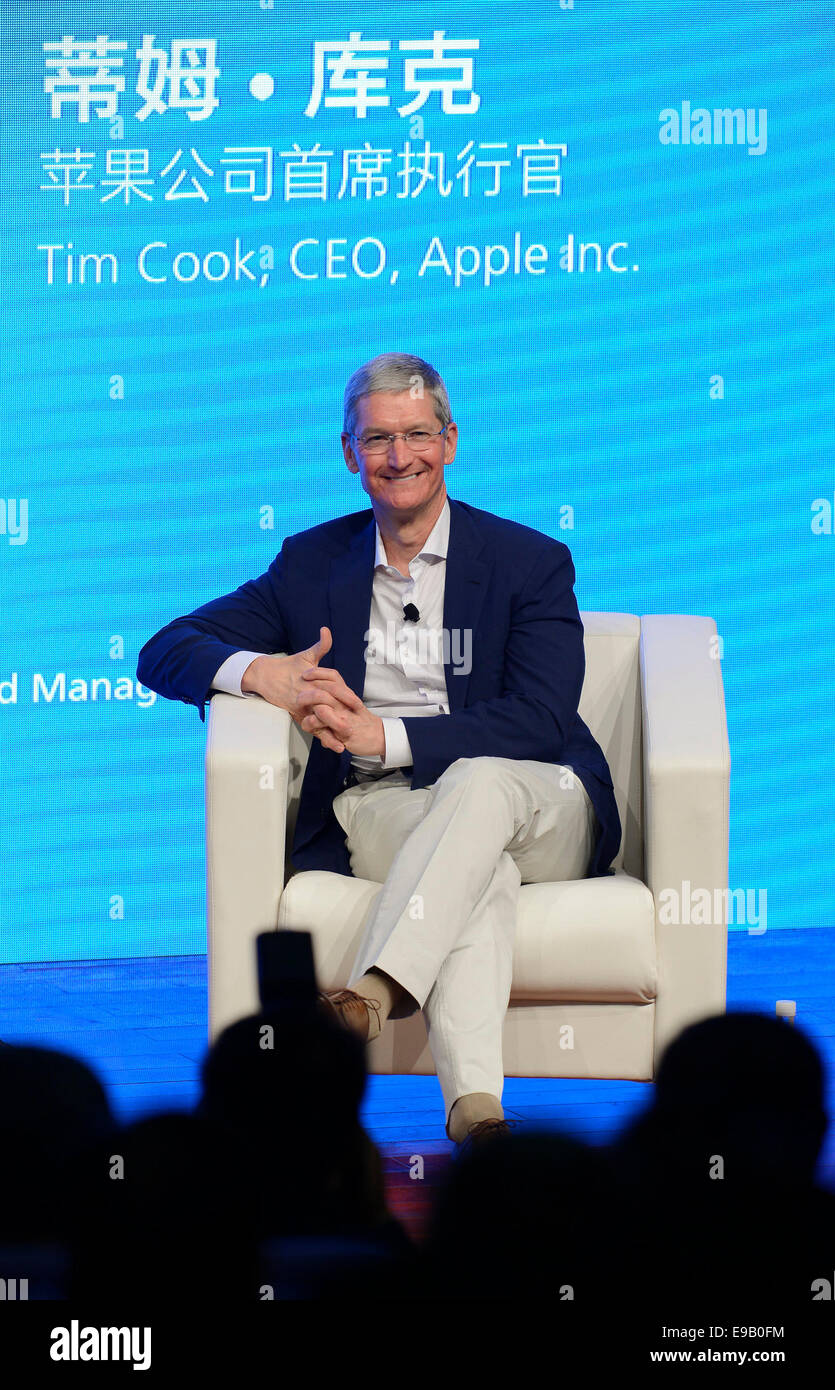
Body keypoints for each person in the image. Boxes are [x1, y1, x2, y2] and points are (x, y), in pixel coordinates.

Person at [137, 352, 621, 1150]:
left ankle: (371, 991)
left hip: (541, 800)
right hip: (387, 808)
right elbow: (166, 648)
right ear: (349, 453)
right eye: (378, 440)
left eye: (418, 435)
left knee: (480, 782)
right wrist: (263, 673)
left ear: (451, 441)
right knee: (478, 873)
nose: (400, 458)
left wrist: (383, 736)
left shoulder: (527, 562)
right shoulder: (309, 564)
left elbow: (539, 718)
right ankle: (478, 1115)